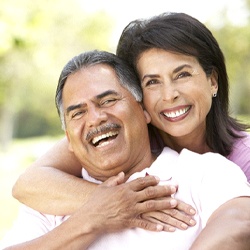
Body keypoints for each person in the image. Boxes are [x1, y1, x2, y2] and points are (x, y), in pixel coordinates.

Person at [12, 12, 250, 228]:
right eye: (152, 82)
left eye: (182, 74)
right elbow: (29, 183)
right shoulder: (126, 136)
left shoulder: (241, 159)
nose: (170, 94)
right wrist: (124, 204)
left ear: (213, 81)